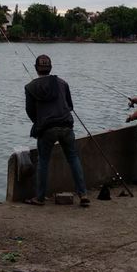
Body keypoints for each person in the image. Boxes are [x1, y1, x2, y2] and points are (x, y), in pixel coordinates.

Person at [24, 54, 90, 207]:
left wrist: (40, 121)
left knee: (43, 162)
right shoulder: (63, 83)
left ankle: (39, 198)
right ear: (51, 68)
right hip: (66, 126)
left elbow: (29, 111)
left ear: (36, 68)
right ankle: (83, 194)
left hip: (46, 129)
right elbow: (70, 106)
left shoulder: (30, 87)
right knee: (73, 158)